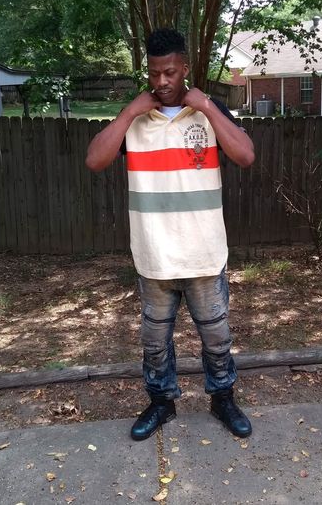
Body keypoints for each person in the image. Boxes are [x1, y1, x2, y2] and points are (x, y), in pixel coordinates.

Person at [85, 28, 255, 441]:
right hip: (154, 255)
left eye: (170, 72)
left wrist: (207, 106)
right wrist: (129, 112)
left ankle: (223, 399)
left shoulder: (209, 113)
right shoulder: (135, 119)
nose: (161, 81)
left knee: (217, 338)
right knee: (155, 342)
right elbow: (95, 160)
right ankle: (162, 403)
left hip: (204, 254)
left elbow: (246, 155)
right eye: (154, 73)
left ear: (185, 69)